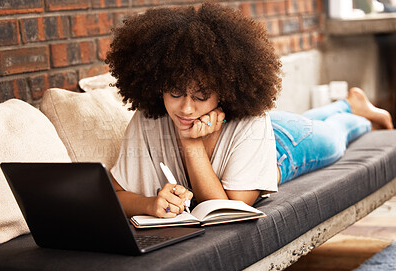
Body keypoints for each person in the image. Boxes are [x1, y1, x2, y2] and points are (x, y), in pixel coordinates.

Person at [106, 3, 393, 219]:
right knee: (308, 119)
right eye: (175, 92)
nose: (187, 108)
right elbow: (114, 193)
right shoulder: (148, 119)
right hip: (264, 135)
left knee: (336, 134)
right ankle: (347, 103)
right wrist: (147, 204)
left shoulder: (251, 119)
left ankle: (356, 112)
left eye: (202, 95)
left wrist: (190, 143)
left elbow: (229, 209)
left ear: (225, 90)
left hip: (283, 147)